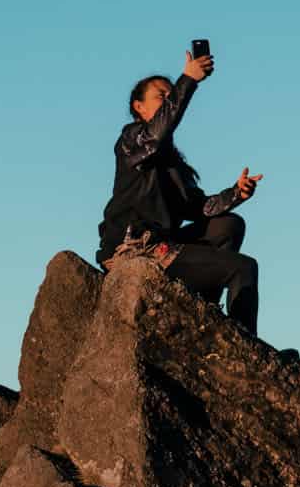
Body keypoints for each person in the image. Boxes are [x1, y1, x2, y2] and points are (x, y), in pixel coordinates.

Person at [96, 48, 265, 336]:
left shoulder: (173, 164)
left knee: (230, 225)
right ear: (139, 107)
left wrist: (237, 193)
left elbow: (199, 208)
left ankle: (204, 309)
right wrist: (188, 80)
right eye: (161, 96)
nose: (168, 99)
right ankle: (244, 341)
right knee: (244, 268)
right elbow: (155, 134)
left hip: (165, 243)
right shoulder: (131, 141)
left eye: (170, 94)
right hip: (136, 247)